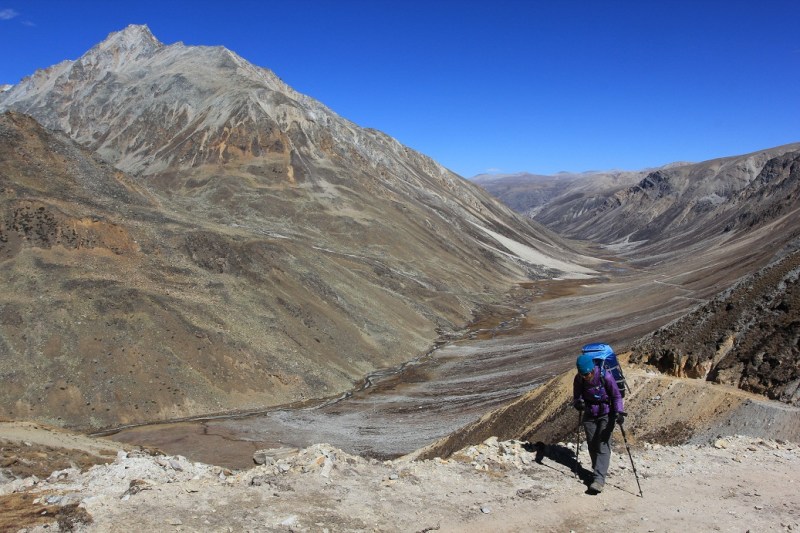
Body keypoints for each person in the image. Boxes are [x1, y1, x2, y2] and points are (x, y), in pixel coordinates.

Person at [573, 353, 625, 493]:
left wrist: (619, 412)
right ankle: (598, 471)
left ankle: (598, 480)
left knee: (602, 444)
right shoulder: (579, 379)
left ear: (592, 369)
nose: (586, 377)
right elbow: (576, 396)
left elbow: (616, 396)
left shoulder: (605, 376)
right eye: (583, 375)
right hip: (590, 413)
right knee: (592, 443)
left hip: (606, 413)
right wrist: (578, 404)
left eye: (587, 374)